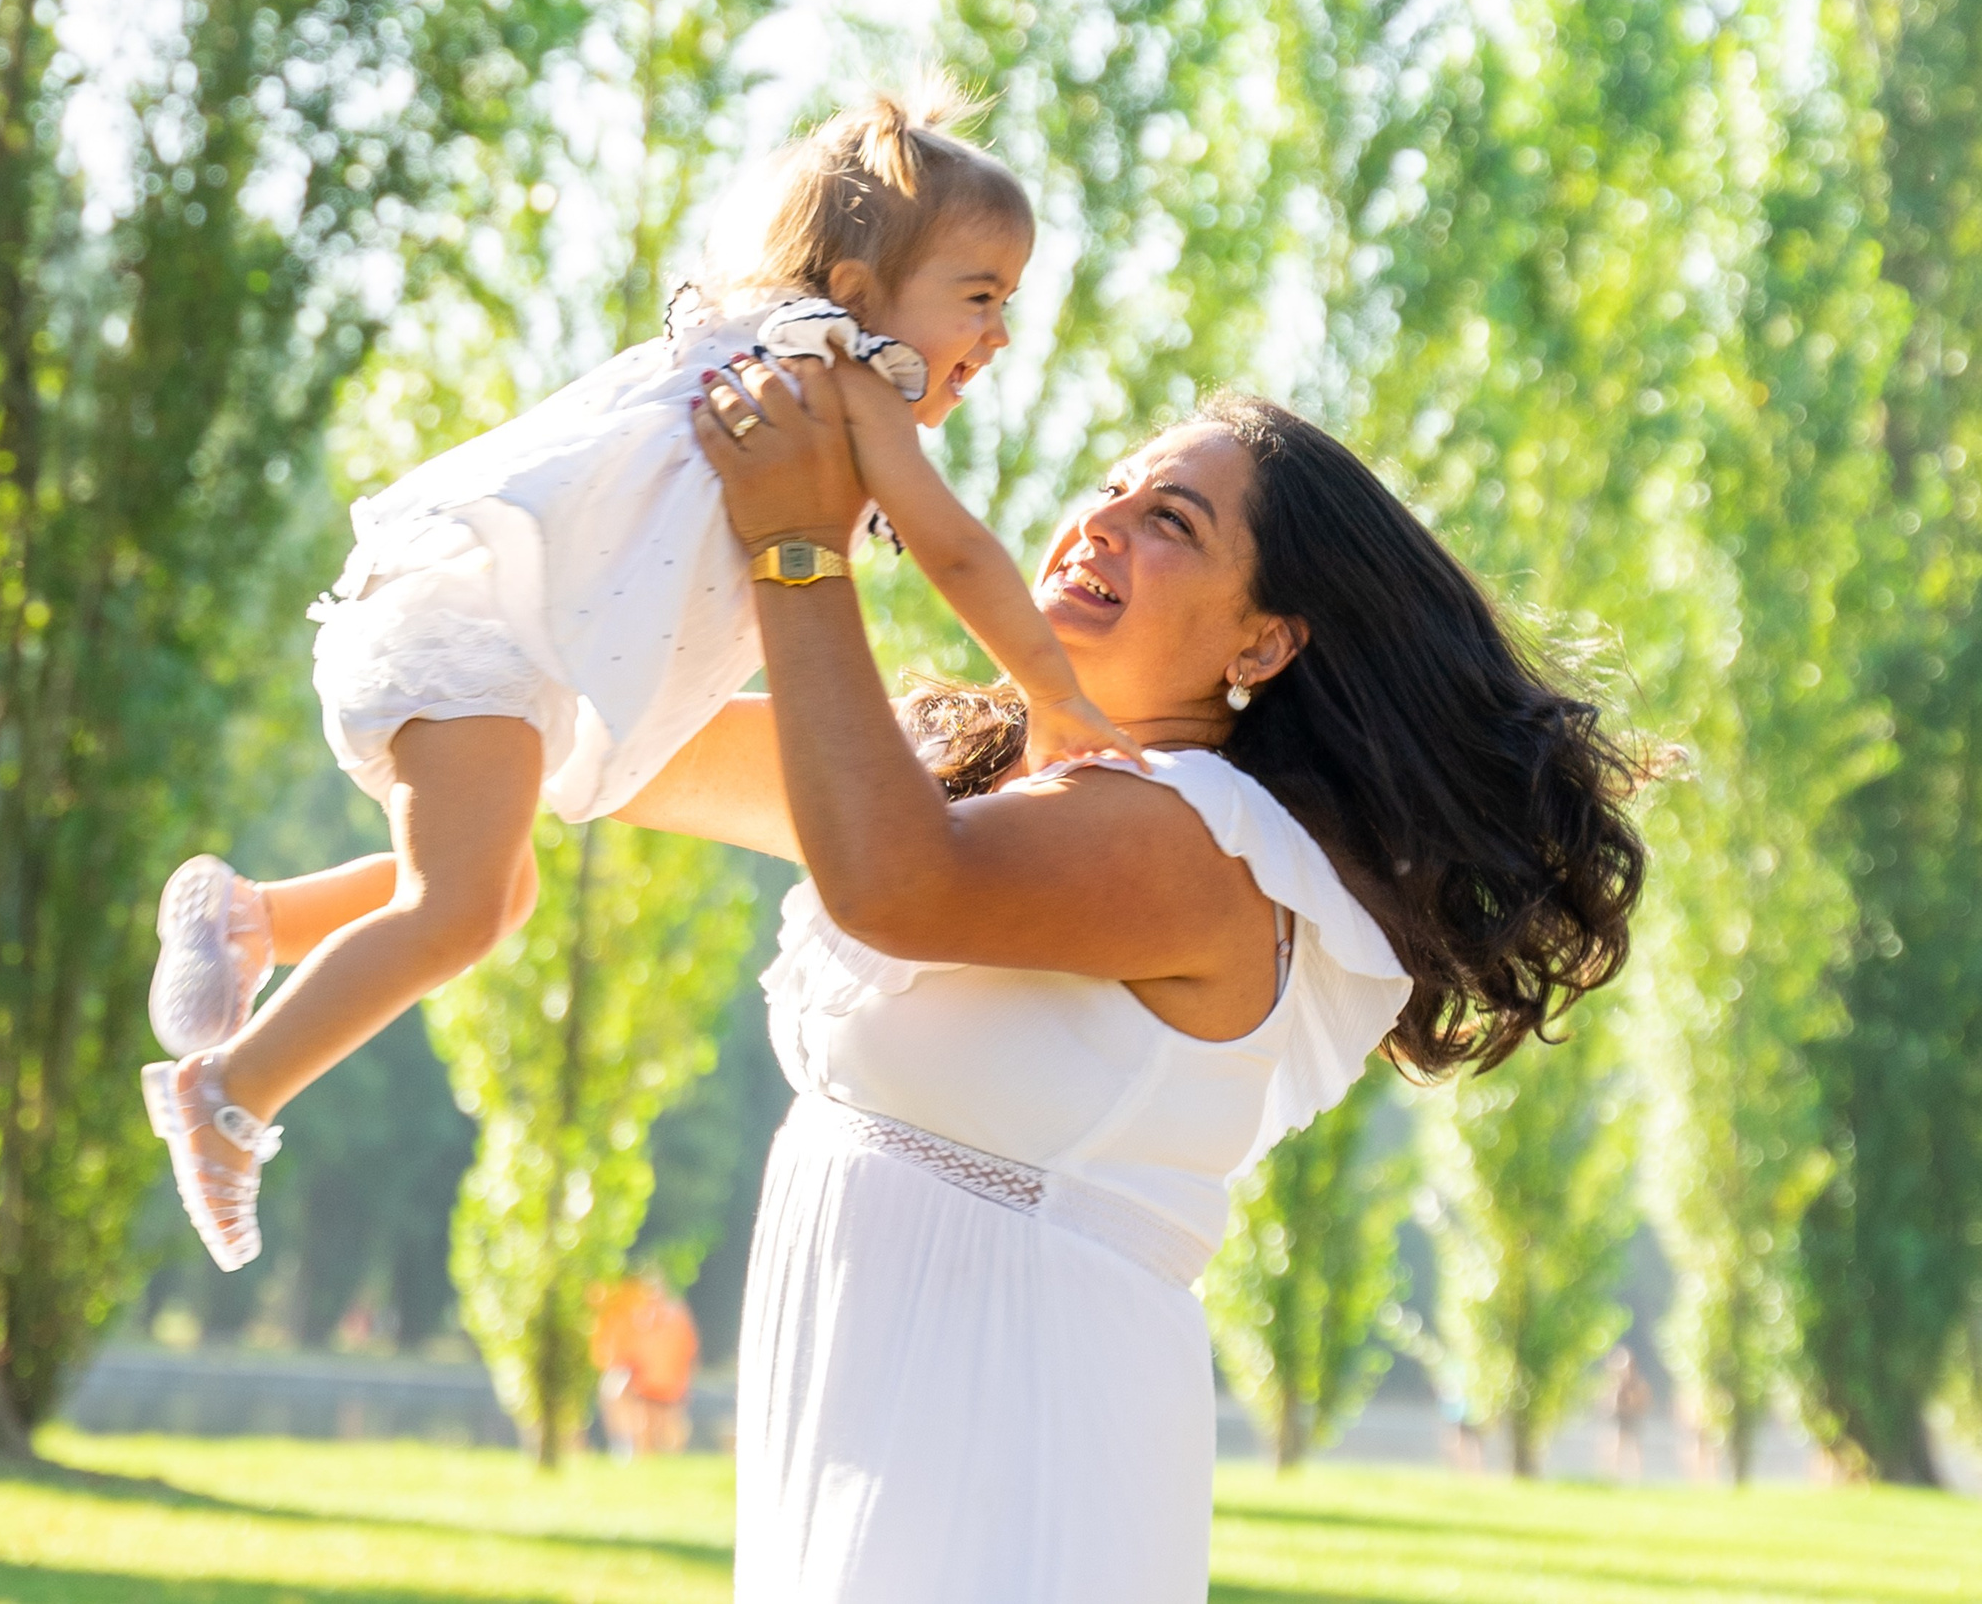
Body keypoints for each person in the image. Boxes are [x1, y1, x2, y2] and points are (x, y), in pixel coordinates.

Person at [621, 356, 1647, 1597]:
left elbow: (893, 885)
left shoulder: (1197, 846)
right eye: (1109, 488)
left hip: (1011, 1441)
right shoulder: (965, 772)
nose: (1098, 521)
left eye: (1169, 521)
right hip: (875, 1414)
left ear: (1262, 641)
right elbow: (617, 749)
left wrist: (800, 544)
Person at [138, 85, 1138, 1269]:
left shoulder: (752, 341)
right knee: (458, 906)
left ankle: (258, 916)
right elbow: (958, 550)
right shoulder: (842, 374)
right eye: (979, 298)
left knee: (492, 895)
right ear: (864, 295)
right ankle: (230, 1097)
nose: (1000, 335)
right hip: (485, 628)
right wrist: (1056, 695)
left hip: (488, 626)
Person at [591, 1271, 702, 1458]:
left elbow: (688, 1351)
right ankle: (631, 1450)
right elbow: (627, 1352)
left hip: (668, 1383)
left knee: (667, 1427)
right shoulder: (640, 1318)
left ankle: (658, 1455)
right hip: (647, 1382)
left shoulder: (674, 1318)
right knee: (643, 1422)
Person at [1603, 1344, 1653, 1481]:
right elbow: (1607, 1403)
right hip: (1618, 1419)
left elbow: (1643, 1401)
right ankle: (1611, 1476)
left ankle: (1636, 1477)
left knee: (1634, 1446)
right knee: (1614, 1444)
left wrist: (1633, 1405)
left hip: (1633, 1418)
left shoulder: (1637, 1384)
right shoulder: (1614, 1384)